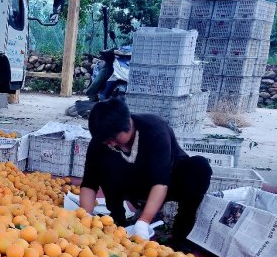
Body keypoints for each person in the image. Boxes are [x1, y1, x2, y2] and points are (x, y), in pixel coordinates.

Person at [78, 98, 212, 247]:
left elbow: (161, 181)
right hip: (130, 184)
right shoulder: (102, 140)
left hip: (166, 182)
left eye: (115, 139)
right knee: (105, 162)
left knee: (200, 168)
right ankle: (117, 221)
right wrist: (86, 218)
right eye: (107, 141)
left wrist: (143, 222)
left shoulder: (154, 129)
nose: (112, 144)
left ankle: (179, 236)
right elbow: (89, 183)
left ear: (128, 124)